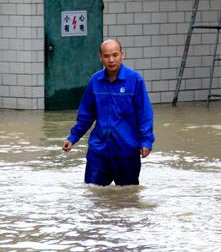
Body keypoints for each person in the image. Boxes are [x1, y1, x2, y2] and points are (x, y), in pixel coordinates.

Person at [62, 38, 155, 186]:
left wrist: (146, 141)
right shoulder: (95, 81)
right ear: (100, 58)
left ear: (122, 55)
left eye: (115, 55)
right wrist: (72, 138)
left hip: (127, 151)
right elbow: (86, 115)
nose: (111, 60)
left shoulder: (134, 80)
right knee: (93, 192)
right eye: (106, 56)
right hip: (99, 152)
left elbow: (144, 114)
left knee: (127, 195)